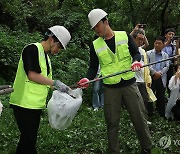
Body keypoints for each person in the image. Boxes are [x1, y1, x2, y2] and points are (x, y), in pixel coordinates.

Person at [78, 9, 152, 154]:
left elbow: (136, 53)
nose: (96, 30)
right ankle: (113, 150)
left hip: (129, 84)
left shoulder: (124, 35)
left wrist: (136, 61)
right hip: (110, 88)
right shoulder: (95, 45)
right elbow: (93, 67)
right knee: (112, 122)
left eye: (97, 26)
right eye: (93, 28)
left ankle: (147, 147)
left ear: (105, 22)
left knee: (139, 117)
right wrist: (88, 78)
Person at [9, 25, 71, 154]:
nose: (58, 50)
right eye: (59, 46)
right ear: (52, 39)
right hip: (23, 104)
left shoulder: (46, 58)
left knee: (28, 140)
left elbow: (48, 82)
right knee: (29, 141)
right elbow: (32, 75)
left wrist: (66, 89)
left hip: (35, 106)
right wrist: (55, 83)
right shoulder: (31, 49)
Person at [132, 30, 156, 118]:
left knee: (145, 100)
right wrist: (135, 29)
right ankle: (135, 120)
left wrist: (148, 78)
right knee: (134, 103)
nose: (141, 41)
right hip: (133, 80)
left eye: (142, 39)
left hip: (142, 80)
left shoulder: (142, 51)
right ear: (133, 39)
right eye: (139, 39)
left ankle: (143, 119)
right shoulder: (128, 49)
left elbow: (146, 67)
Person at [147, 36, 169, 117]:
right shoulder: (148, 53)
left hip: (161, 77)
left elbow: (167, 66)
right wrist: (154, 73)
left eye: (159, 43)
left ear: (163, 45)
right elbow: (147, 65)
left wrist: (160, 74)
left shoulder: (165, 55)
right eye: (156, 43)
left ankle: (161, 112)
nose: (157, 45)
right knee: (150, 95)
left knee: (161, 95)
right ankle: (150, 113)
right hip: (152, 77)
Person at [162, 28, 176, 97]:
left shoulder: (173, 46)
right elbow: (159, 49)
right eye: (169, 34)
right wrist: (167, 42)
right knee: (162, 85)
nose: (171, 36)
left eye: (173, 34)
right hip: (162, 67)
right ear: (165, 35)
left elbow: (175, 56)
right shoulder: (162, 43)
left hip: (170, 67)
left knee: (170, 84)